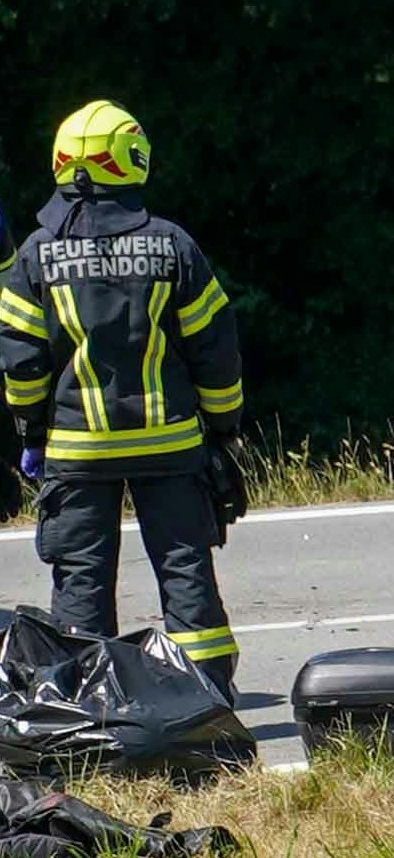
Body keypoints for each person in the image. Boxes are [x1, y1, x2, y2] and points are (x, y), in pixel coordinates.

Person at [0, 102, 246, 699]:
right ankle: (204, 704)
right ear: (132, 161)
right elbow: (215, 351)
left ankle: (94, 713)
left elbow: (21, 360)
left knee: (80, 583)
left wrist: (33, 434)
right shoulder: (173, 246)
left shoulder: (36, 254)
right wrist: (223, 429)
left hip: (78, 449)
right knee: (186, 574)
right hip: (171, 445)